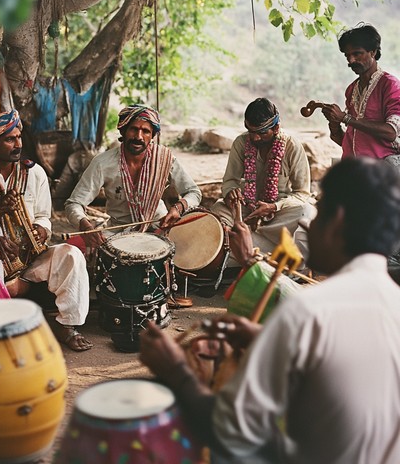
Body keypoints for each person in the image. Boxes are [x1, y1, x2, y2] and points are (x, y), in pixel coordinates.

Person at [140, 157, 400, 463]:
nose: (308, 223)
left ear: (338, 221)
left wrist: (176, 371)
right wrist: (266, 337)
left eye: (319, 210)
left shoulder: (307, 312)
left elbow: (231, 432)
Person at [0, 110, 93, 352]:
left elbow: (45, 216)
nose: (18, 144)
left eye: (19, 137)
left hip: (28, 261)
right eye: (10, 139)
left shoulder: (34, 173)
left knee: (71, 255)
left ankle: (65, 325)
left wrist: (41, 230)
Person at [65, 104, 202, 306]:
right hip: (117, 232)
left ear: (152, 135)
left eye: (145, 131)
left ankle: (165, 290)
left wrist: (178, 208)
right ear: (123, 130)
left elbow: (194, 192)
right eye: (133, 129)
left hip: (159, 228)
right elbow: (74, 204)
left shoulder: (165, 159)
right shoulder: (103, 163)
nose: (138, 136)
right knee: (70, 250)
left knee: (193, 243)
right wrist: (85, 226)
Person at [211, 98, 311, 267]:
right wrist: (231, 193)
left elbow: (302, 193)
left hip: (279, 216)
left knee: (305, 212)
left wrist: (274, 207)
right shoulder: (241, 143)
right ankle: (246, 251)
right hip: (246, 211)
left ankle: (256, 255)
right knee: (217, 210)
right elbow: (229, 181)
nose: (255, 137)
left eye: (262, 132)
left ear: (276, 128)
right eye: (251, 131)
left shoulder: (292, 146)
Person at [322, 23, 400, 165]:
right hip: (355, 171)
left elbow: (391, 132)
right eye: (347, 56)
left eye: (357, 54)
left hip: (381, 173)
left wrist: (345, 118)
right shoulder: (351, 89)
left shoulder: (390, 85)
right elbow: (349, 143)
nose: (351, 61)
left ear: (373, 52)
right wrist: (335, 125)